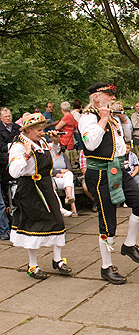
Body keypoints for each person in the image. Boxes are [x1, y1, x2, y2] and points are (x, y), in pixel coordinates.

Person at [79, 82, 139, 285]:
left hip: (118, 169)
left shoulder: (112, 117)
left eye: (112, 95)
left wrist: (123, 118)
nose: (113, 98)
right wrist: (102, 119)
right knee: (108, 221)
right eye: (109, 95)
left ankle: (129, 244)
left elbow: (126, 139)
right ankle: (106, 267)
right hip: (100, 173)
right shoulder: (87, 117)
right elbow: (90, 143)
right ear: (97, 97)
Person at [8, 113, 72, 279]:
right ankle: (32, 265)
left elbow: (52, 157)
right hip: (29, 189)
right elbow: (13, 172)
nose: (42, 132)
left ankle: (57, 260)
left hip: (45, 186)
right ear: (28, 130)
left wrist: (55, 142)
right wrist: (26, 155)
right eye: (38, 130)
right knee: (34, 226)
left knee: (57, 221)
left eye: (43, 129)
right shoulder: (19, 145)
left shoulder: (41, 141)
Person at [0, 107, 20, 231]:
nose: (8, 118)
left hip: (16, 160)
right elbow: (2, 147)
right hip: (3, 164)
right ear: (1, 118)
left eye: (9, 116)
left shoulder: (17, 128)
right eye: (6, 116)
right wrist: (12, 146)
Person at [49, 134, 78, 217]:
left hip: (64, 178)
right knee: (70, 183)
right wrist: (60, 172)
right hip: (54, 179)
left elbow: (69, 169)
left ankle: (69, 197)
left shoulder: (64, 156)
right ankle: (70, 205)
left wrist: (62, 174)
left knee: (69, 176)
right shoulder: (51, 156)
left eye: (59, 146)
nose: (57, 148)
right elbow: (50, 170)